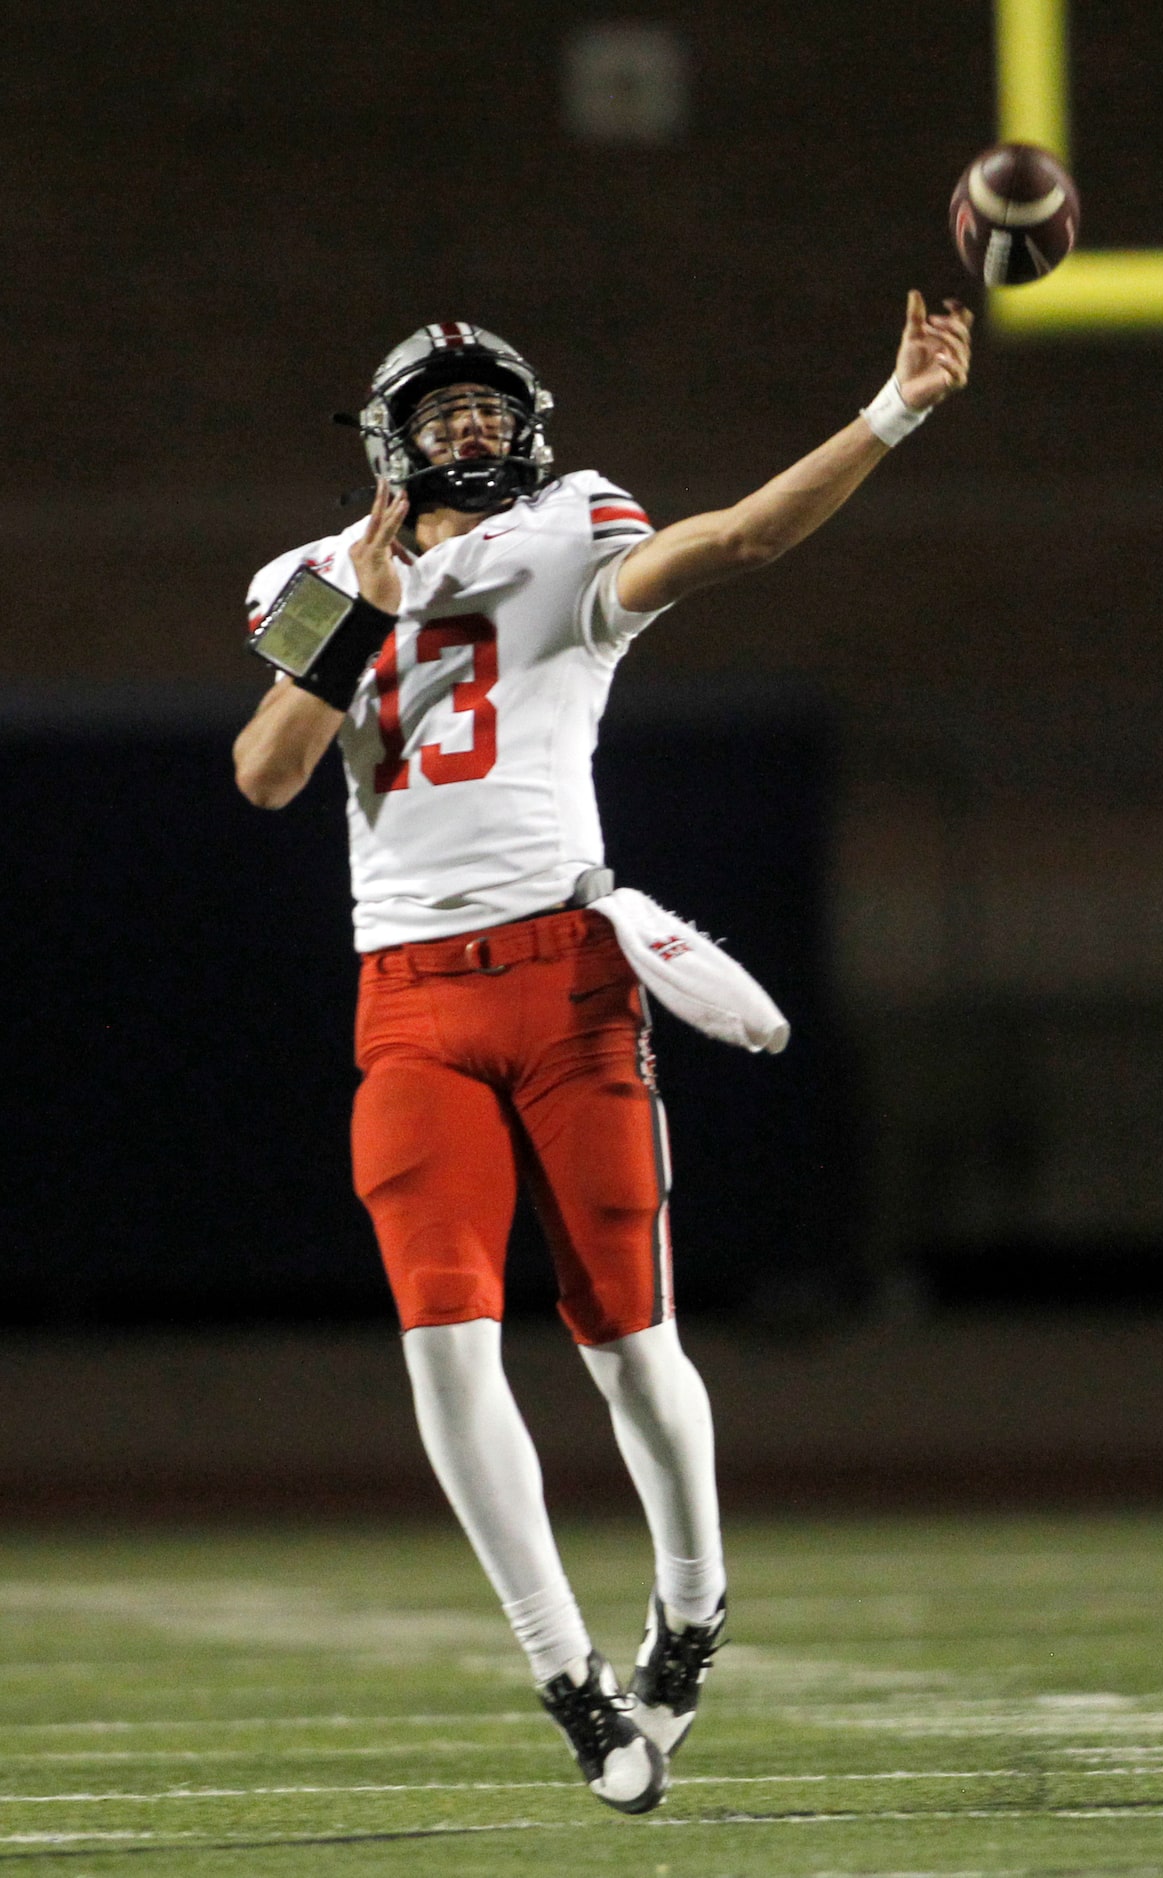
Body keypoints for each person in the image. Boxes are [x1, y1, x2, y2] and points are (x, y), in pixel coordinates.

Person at [233, 297, 973, 1813]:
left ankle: (690, 1610)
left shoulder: (575, 526)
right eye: (440, 411)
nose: (470, 430)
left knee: (627, 1335)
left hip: (569, 980)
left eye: (489, 406)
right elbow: (264, 771)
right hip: (409, 999)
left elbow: (743, 541)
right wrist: (361, 612)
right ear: (385, 436)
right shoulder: (308, 581)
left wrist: (893, 407)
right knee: (442, 1335)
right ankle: (567, 1675)